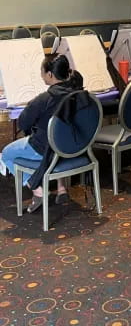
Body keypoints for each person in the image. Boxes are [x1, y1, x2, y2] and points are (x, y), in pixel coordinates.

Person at [0, 54, 83, 213]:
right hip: (71, 146)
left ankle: (36, 188)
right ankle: (61, 188)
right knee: (57, 136)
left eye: (42, 71)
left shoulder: (44, 98)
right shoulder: (78, 92)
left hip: (44, 148)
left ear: (50, 75)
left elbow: (24, 123)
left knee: (6, 154)